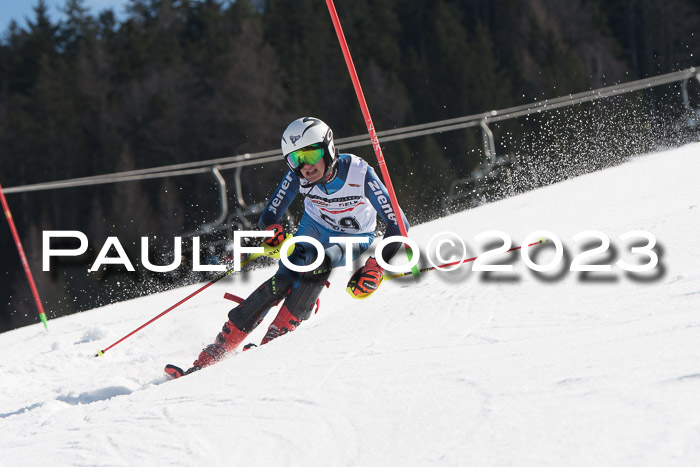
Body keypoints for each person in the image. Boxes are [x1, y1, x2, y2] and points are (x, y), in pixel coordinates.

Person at [165, 117, 409, 378]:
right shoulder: (298, 177)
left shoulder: (359, 173)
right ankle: (214, 354)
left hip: (354, 236)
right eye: (295, 159)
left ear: (328, 148)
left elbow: (399, 224)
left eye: (311, 154)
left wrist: (378, 265)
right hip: (314, 228)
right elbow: (269, 214)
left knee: (319, 263)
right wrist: (271, 230)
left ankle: (273, 342)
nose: (305, 166)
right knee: (285, 278)